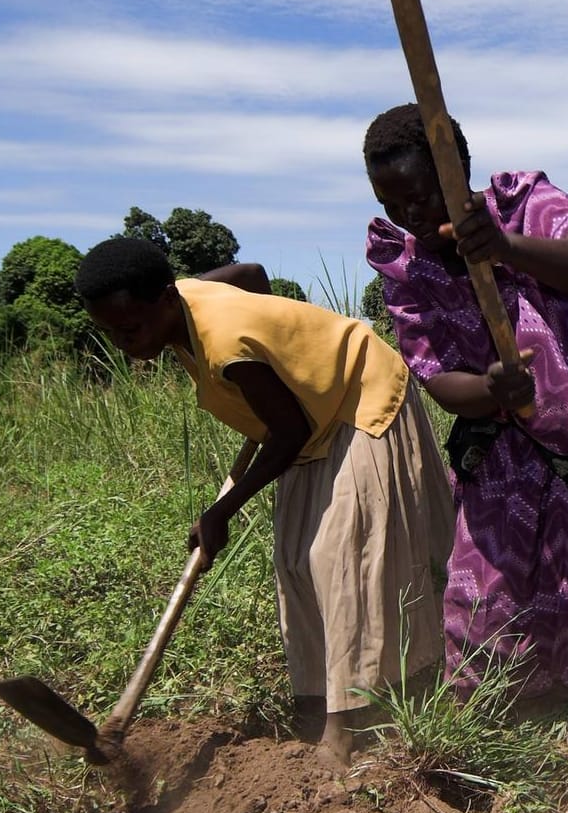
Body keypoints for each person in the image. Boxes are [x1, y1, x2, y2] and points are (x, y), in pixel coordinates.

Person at [359, 102, 568, 765]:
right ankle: (500, 745)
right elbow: (433, 373)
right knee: (483, 603)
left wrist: (502, 247)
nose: (409, 211)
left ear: (459, 171)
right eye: (392, 199)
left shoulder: (522, 204)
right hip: (507, 450)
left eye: (423, 191)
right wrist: (490, 391)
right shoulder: (402, 264)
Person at [74, 237, 452, 764]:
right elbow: (251, 273)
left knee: (339, 560)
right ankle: (317, 700)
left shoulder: (228, 347)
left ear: (164, 299)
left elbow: (289, 433)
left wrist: (221, 511)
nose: (122, 344)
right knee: (295, 561)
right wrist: (277, 338)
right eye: (110, 332)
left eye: (130, 329)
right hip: (309, 409)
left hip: (355, 396)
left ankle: (345, 730)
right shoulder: (185, 294)